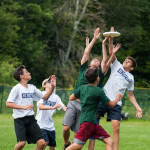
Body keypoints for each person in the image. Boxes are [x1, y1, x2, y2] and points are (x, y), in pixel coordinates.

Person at [62, 27, 120, 149]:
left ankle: (70, 146)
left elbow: (105, 61)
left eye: (97, 64)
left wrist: (105, 43)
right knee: (68, 130)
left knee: (78, 141)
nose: (96, 61)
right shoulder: (84, 70)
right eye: (94, 62)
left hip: (86, 111)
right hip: (77, 105)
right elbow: (86, 52)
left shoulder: (98, 77)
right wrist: (94, 39)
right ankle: (66, 145)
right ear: (89, 65)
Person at [92, 28, 142, 150]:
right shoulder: (117, 65)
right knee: (92, 122)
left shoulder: (131, 78)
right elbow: (111, 53)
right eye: (126, 59)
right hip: (104, 98)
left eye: (129, 62)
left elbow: (130, 95)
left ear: (132, 68)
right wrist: (111, 37)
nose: (126, 61)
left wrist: (138, 107)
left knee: (116, 126)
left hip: (116, 102)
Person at [66, 68, 122, 150]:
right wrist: (118, 98)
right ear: (97, 78)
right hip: (88, 123)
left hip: (93, 124)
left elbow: (70, 98)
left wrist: (85, 98)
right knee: (78, 145)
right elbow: (112, 105)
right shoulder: (99, 91)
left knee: (109, 141)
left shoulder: (82, 88)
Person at [6, 65, 56, 150]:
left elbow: (45, 97)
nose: (29, 73)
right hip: (19, 120)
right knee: (21, 143)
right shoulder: (16, 88)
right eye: (27, 72)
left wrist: (52, 87)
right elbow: (8, 104)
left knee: (41, 143)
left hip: (31, 119)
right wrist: (23, 107)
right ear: (21, 76)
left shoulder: (32, 87)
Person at [35, 76, 67, 150]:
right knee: (44, 142)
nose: (50, 83)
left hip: (50, 126)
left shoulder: (56, 97)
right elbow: (40, 107)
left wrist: (72, 111)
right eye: (48, 82)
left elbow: (64, 107)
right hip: (40, 124)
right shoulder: (42, 94)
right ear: (44, 85)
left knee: (52, 146)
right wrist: (52, 107)